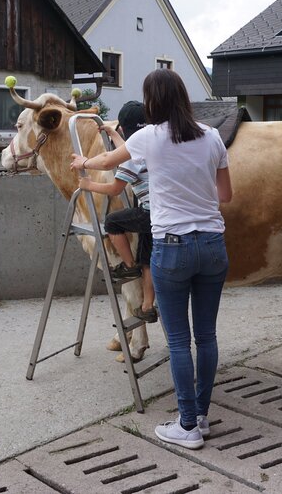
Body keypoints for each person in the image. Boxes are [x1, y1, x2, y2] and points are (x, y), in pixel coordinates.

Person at [70, 69, 232, 450]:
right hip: (212, 245)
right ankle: (202, 418)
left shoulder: (146, 137)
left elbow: (108, 158)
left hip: (172, 248)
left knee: (178, 342)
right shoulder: (212, 137)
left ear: (151, 102)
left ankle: (187, 426)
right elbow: (225, 195)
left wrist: (81, 164)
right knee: (206, 336)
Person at [78, 101, 157, 323]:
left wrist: (88, 184)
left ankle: (129, 266)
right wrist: (113, 134)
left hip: (148, 212)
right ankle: (148, 305)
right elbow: (130, 146)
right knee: (148, 259)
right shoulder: (153, 145)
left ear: (124, 128)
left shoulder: (130, 160)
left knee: (113, 222)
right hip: (163, 213)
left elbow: (114, 188)